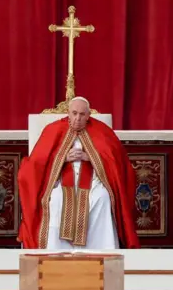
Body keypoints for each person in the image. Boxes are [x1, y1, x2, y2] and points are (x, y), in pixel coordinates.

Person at [17, 97, 140, 249]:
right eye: (74, 113)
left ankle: (101, 250)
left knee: (102, 198)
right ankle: (57, 251)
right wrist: (62, 158)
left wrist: (91, 157)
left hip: (94, 180)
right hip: (60, 181)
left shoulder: (102, 131)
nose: (77, 118)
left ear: (89, 115)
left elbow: (118, 163)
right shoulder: (53, 129)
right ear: (68, 112)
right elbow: (36, 163)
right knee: (56, 200)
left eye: (82, 114)